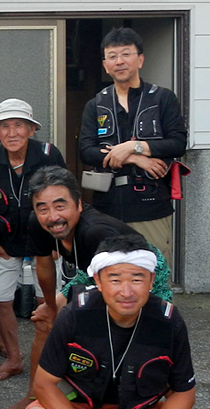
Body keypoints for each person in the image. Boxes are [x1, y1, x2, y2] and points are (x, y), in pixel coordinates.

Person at [15, 235, 210, 409]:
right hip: (81, 407)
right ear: (98, 281)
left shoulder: (168, 321)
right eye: (115, 279)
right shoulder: (74, 316)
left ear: (152, 281)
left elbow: (183, 392)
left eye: (137, 278)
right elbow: (44, 385)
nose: (126, 291)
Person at [0, 165, 172, 409]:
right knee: (45, 323)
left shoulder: (96, 231)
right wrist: (51, 308)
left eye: (60, 205)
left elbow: (115, 284)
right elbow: (43, 265)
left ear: (79, 204)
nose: (52, 216)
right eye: (42, 208)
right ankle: (34, 396)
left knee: (142, 339)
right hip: (93, 272)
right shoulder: (39, 222)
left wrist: (72, 315)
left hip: (137, 275)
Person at [0, 100, 66, 381]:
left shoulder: (49, 155)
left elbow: (66, 199)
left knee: (47, 298)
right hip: (4, 239)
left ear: (31, 129)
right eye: (5, 127)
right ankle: (14, 358)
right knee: (0, 299)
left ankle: (50, 360)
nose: (12, 133)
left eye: (19, 125)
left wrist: (60, 240)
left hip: (45, 240)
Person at [78, 27, 187, 265]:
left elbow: (178, 143)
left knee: (154, 272)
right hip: (107, 206)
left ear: (140, 59)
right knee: (110, 273)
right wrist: (134, 156)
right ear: (105, 64)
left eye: (126, 54)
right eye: (112, 56)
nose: (119, 61)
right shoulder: (96, 104)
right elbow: (86, 152)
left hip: (151, 204)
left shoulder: (162, 98)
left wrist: (133, 147)